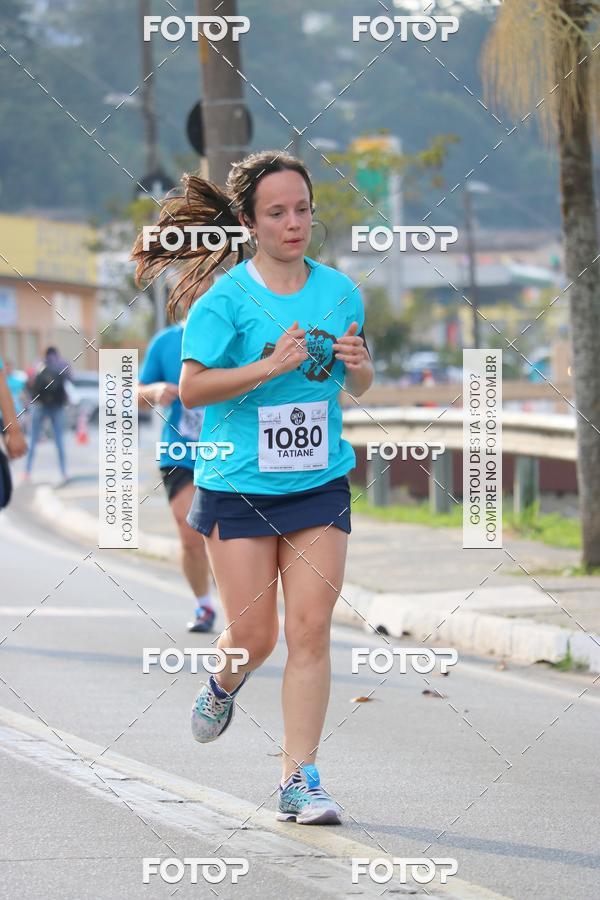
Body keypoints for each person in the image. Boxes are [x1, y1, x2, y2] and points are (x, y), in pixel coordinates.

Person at [131, 151, 374, 826]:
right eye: (277, 213)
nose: (293, 223)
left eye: (302, 209)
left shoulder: (341, 292)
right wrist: (269, 367)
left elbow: (357, 385)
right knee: (254, 638)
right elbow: (193, 387)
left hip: (319, 481)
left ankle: (300, 779)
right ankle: (222, 682)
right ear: (249, 221)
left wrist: (359, 367)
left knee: (311, 631)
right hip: (238, 486)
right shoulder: (225, 301)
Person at [138, 282, 217, 633]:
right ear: (181, 299)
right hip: (180, 451)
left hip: (228, 451)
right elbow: (135, 394)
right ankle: (204, 605)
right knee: (189, 532)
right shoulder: (166, 342)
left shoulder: (233, 337)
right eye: (193, 293)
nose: (200, 299)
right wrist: (153, 391)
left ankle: (239, 605)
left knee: (224, 535)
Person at [24, 347, 71, 484]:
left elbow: (29, 382)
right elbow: (70, 379)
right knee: (59, 439)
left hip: (39, 405)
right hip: (57, 406)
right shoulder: (62, 364)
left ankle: (27, 471)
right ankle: (63, 472)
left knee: (33, 438)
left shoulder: (38, 363)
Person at [0, 354, 28, 463]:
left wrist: (14, 432)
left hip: (11, 413)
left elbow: (23, 394)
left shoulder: (17, 381)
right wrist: (14, 432)